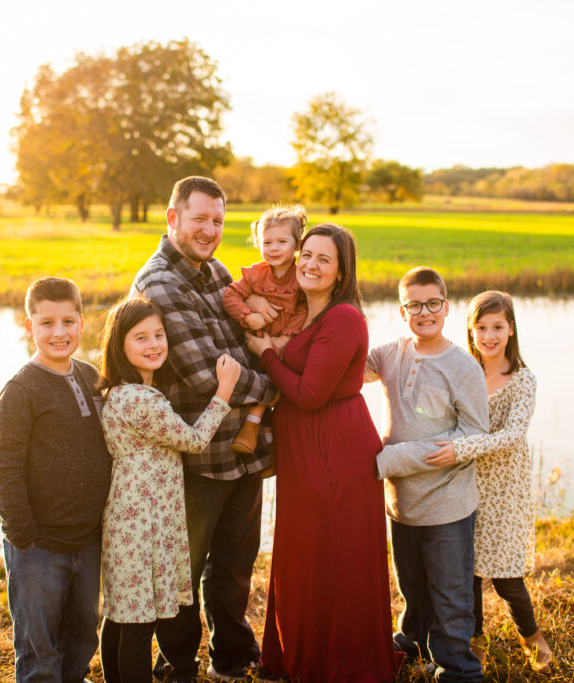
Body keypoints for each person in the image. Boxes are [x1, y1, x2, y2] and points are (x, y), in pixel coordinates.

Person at [130, 176, 277, 682]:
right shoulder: (160, 283)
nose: (210, 230)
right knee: (183, 570)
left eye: (218, 220)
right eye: (199, 219)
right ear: (173, 219)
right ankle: (178, 665)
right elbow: (201, 371)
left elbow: (243, 339)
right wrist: (280, 384)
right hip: (195, 452)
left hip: (242, 448)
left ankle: (232, 656)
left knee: (237, 561)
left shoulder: (214, 271)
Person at [244, 223, 405, 683]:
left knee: (333, 556)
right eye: (306, 255)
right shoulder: (301, 314)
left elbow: (311, 393)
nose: (311, 265)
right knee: (303, 550)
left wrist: (266, 355)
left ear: (340, 273)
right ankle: (298, 654)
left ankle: (339, 663)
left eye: (323, 259)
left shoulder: (343, 318)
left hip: (334, 449)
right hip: (305, 450)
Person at [95, 296, 242, 683]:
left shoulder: (119, 393)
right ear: (120, 346)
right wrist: (224, 390)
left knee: (121, 615)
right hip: (144, 523)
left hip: (131, 518)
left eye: (159, 334)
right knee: (140, 622)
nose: (154, 344)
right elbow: (194, 440)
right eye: (140, 337)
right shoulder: (142, 400)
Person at [365, 267, 490, 683]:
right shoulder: (389, 354)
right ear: (402, 312)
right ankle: (413, 642)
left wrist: (389, 459)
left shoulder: (463, 367)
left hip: (448, 507)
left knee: (451, 597)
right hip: (402, 505)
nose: (424, 312)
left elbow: (472, 434)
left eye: (432, 303)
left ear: (446, 307)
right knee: (413, 588)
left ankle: (459, 670)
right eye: (414, 305)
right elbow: (346, 370)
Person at [0, 276, 110, 682]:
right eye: (47, 323)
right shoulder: (21, 391)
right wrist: (22, 533)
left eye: (68, 322)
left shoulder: (91, 375)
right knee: (40, 647)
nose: (59, 333)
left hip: (86, 538)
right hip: (38, 545)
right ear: (29, 327)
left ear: (81, 321)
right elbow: (5, 466)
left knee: (81, 634)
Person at [459, 291, 550, 673]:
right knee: (471, 572)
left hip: (505, 489)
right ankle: (475, 639)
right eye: (481, 327)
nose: (489, 335)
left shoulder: (523, 380)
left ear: (511, 329)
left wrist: (462, 448)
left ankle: (532, 637)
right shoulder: (464, 373)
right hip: (466, 485)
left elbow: (513, 435)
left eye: (497, 326)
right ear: (471, 330)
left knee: (507, 576)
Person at [221, 204, 308, 454]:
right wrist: (249, 317)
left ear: (297, 244)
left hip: (284, 345)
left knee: (279, 376)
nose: (274, 248)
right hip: (254, 342)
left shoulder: (301, 275)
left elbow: (304, 309)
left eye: (282, 241)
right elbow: (230, 296)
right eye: (267, 242)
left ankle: (258, 431)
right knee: (256, 376)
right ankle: (253, 432)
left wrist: (286, 337)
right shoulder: (255, 274)